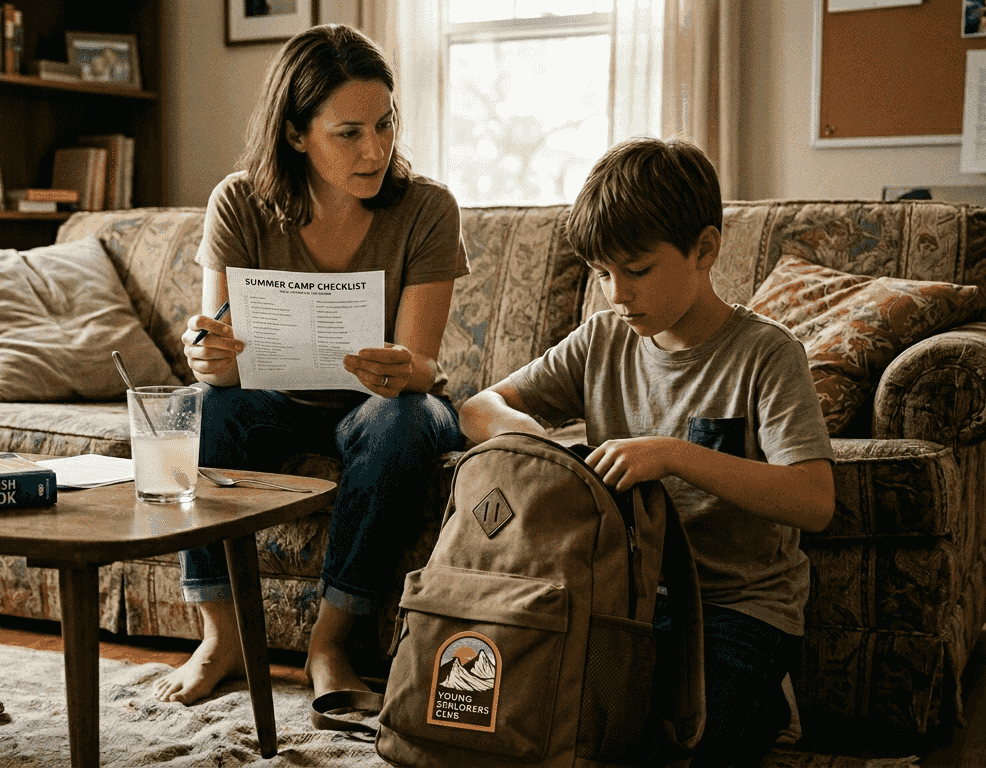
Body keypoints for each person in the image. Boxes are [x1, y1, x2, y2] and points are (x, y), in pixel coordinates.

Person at [457, 137, 835, 768]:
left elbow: (814, 500)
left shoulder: (767, 354)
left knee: (681, 754)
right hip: (619, 600)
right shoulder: (603, 337)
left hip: (736, 607)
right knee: (538, 738)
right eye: (602, 274)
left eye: (635, 270)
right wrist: (543, 445)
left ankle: (766, 699)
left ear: (705, 250)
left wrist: (674, 455)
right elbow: (477, 408)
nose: (615, 294)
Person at [152, 24, 470, 707]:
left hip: (385, 405)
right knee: (194, 408)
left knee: (404, 421)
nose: (377, 148)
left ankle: (330, 643)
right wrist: (209, 356)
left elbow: (422, 368)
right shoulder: (239, 203)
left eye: (385, 125)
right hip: (275, 399)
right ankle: (223, 637)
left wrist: (396, 368)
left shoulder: (427, 209)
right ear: (296, 135)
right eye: (349, 132)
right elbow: (224, 365)